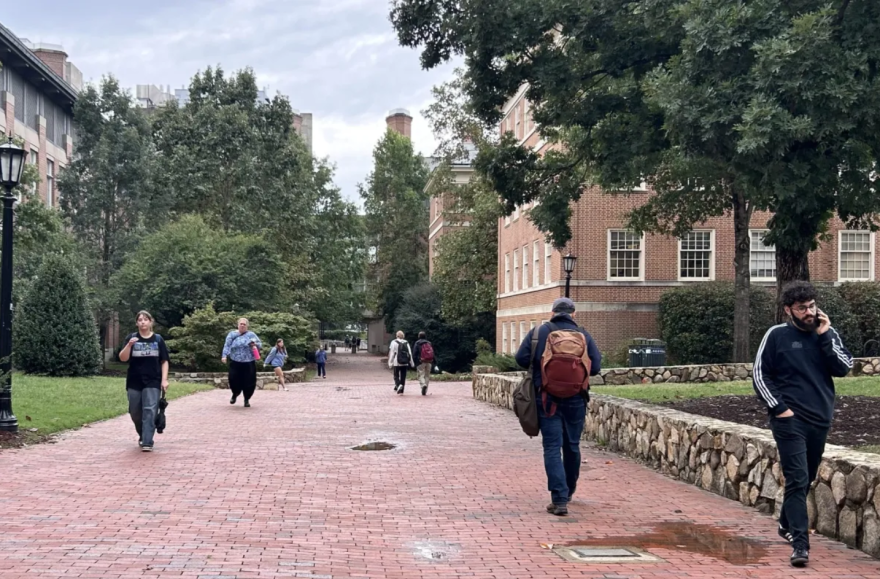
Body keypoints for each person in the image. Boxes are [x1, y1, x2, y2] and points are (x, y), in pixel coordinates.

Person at [752, 281, 852, 568]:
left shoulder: (827, 334)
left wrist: (824, 337)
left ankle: (785, 524)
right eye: (802, 308)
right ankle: (800, 544)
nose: (809, 313)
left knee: (805, 479)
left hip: (819, 419)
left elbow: (843, 367)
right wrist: (780, 409)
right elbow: (760, 375)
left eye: (811, 306)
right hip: (789, 421)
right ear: (788, 310)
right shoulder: (776, 335)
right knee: (796, 479)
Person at [515, 298, 601, 516]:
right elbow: (595, 367)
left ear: (552, 312)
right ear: (573, 314)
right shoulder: (583, 335)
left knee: (552, 447)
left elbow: (521, 359)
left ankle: (559, 499)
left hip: (546, 398)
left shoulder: (539, 332)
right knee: (572, 445)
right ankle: (570, 489)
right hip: (576, 398)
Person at [118, 311, 170, 452]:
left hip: (153, 380)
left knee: (149, 410)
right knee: (135, 411)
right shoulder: (132, 338)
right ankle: (142, 434)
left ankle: (147, 441)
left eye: (145, 319)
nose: (142, 322)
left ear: (150, 322)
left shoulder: (158, 340)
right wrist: (129, 345)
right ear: (137, 323)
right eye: (140, 320)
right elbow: (122, 358)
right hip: (134, 381)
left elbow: (164, 361)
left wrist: (164, 380)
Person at [221, 318, 262, 407]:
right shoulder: (232, 334)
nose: (242, 325)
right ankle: (235, 394)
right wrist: (224, 356)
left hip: (249, 361)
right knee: (233, 379)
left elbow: (259, 344)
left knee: (249, 381)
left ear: (247, 326)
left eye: (244, 324)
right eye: (241, 324)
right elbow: (227, 345)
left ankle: (246, 399)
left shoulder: (251, 334)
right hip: (235, 361)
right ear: (238, 325)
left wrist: (254, 344)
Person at [413, 331, 435, 396]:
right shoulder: (429, 343)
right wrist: (434, 362)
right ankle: (425, 390)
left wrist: (414, 362)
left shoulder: (417, 343)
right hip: (429, 361)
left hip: (421, 362)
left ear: (419, 336)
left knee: (420, 375)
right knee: (427, 376)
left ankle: (423, 385)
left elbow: (414, 353)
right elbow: (433, 353)